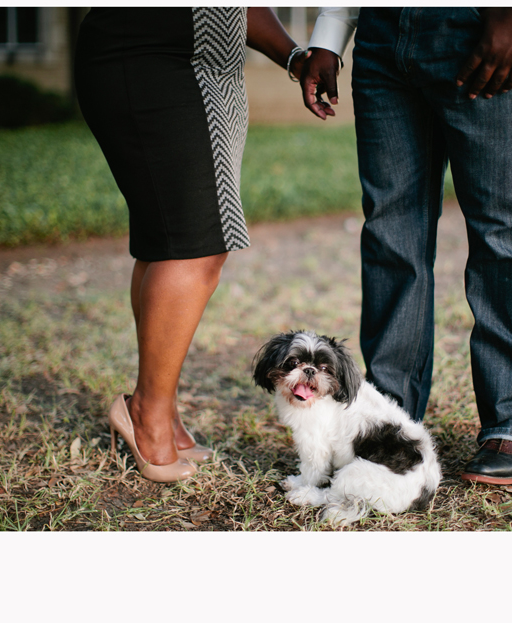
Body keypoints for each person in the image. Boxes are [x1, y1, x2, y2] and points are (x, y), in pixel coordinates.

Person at [299, 7, 512, 485]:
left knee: (505, 227)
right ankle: (387, 421)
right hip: (383, 33)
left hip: (488, 21)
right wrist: (332, 28)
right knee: (390, 233)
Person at [75, 8, 308, 482]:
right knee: (193, 243)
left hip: (214, 68)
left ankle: (158, 408)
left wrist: (293, 56)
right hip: (152, 55)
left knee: (168, 240)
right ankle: (147, 415)